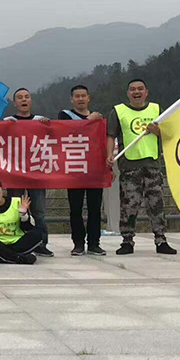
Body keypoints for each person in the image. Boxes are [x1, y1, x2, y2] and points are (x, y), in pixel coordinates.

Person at [106, 79, 176, 255]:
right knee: (129, 205)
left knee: (156, 205)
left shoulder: (156, 109)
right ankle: (127, 241)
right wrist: (109, 155)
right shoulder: (118, 111)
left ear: (146, 92)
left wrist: (156, 130)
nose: (136, 92)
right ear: (128, 93)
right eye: (132, 89)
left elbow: (168, 133)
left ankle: (161, 240)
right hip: (129, 165)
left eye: (140, 89)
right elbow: (110, 135)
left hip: (152, 164)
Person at [4, 88, 53, 257]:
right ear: (15, 102)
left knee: (39, 212)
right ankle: (16, 241)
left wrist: (48, 126)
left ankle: (41, 243)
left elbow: (53, 138)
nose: (23, 100)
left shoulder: (40, 120)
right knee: (16, 210)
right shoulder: (8, 121)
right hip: (15, 174)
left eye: (26, 97)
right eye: (19, 97)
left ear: (31, 101)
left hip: (36, 173)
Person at [58, 85, 106, 256]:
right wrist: (89, 120)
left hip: (94, 169)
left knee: (95, 209)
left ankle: (94, 243)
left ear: (88, 98)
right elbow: (67, 130)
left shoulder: (98, 119)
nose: (80, 99)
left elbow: (102, 143)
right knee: (75, 208)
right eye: (77, 96)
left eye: (83, 96)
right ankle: (78, 243)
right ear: (72, 99)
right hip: (75, 168)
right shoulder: (65, 115)